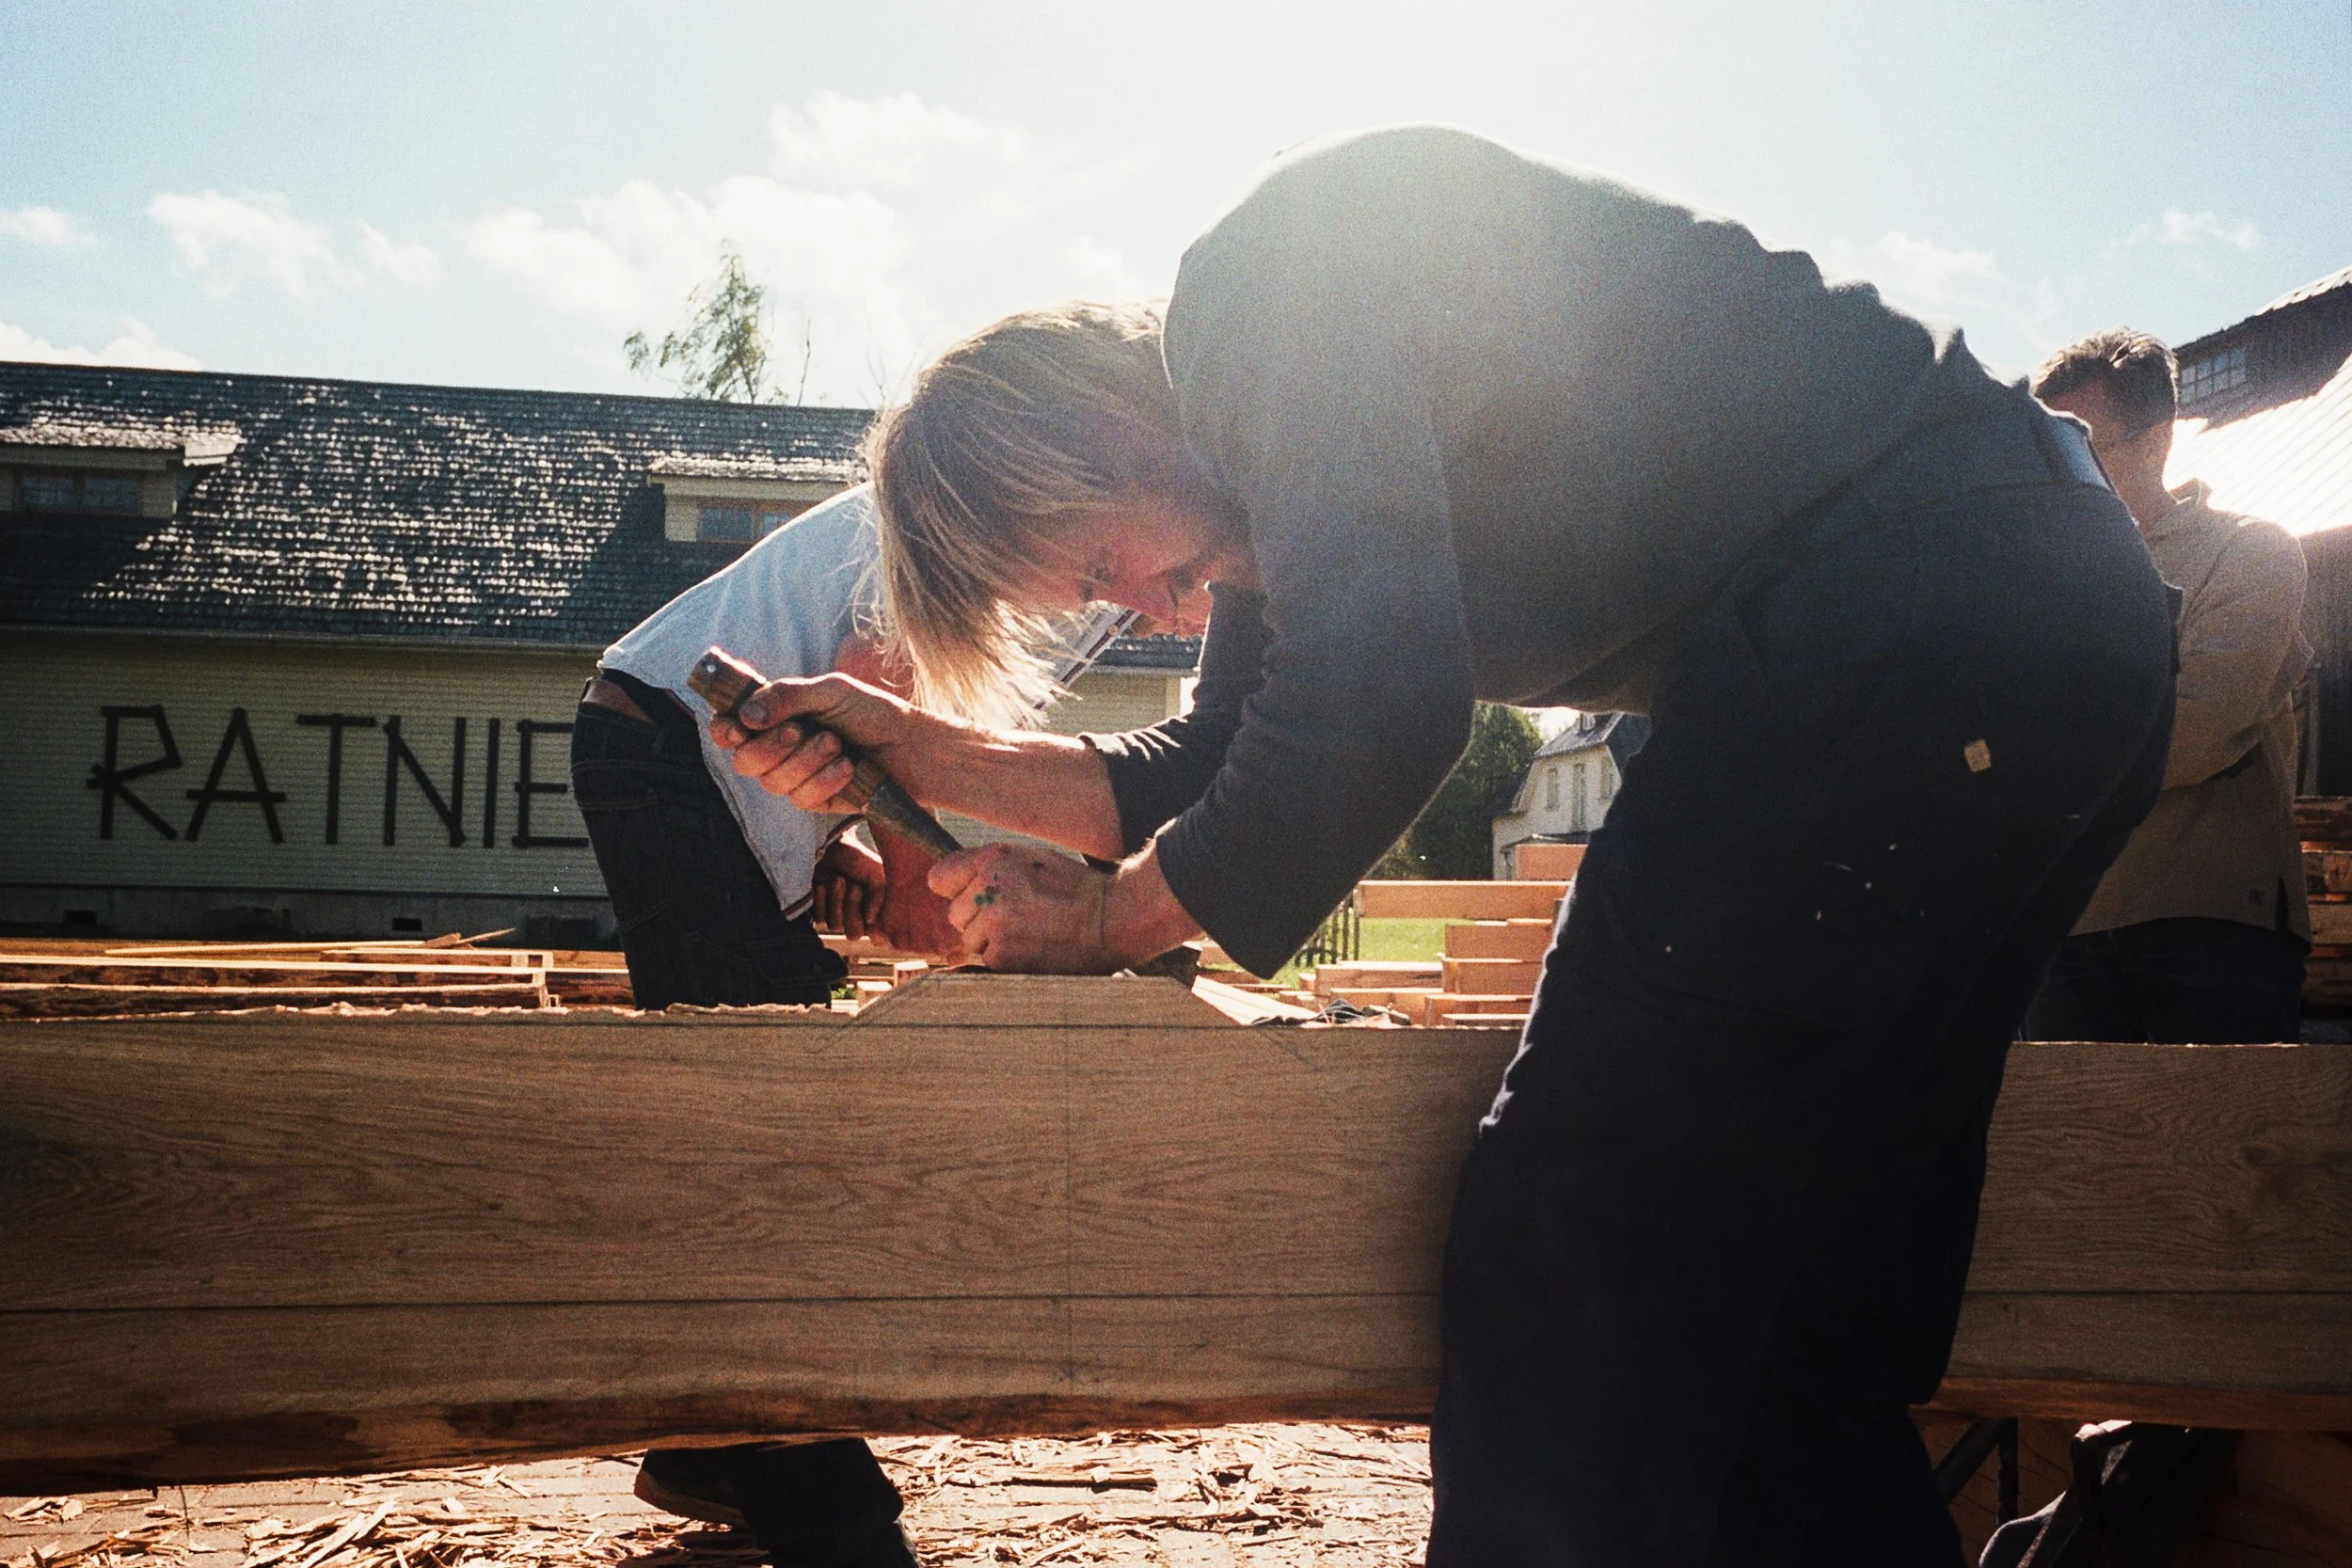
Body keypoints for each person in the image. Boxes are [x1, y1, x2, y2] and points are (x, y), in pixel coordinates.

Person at [716, 128, 2175, 1565]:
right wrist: (926, 752)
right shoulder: (1294, 464)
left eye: (1104, 561)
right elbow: (1218, 766)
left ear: (1099, 429)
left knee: (1570, 1246)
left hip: (1904, 606)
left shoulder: (1260, 299)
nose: (1149, 608)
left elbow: (1371, 706)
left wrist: (1110, 923)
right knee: (1790, 1319)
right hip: (2065, 612)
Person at [571, 483, 955, 1568]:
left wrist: (822, 844)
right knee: (765, 1147)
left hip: (709, 767)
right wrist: (923, 874)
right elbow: (871, 677)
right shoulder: (1063, 506)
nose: (1174, 615)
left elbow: (868, 704)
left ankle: (708, 1451)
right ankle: (833, 1525)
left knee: (769, 1111)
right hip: (677, 752)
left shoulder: (1086, 517)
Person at [2024, 329, 2312, 1043]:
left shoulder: (2251, 552)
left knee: (2220, 1150)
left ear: (2156, 442)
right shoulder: (2035, 586)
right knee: (2068, 1151)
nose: (2052, 472)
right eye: (2040, 449)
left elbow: (2199, 729)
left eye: (2077, 447)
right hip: (2066, 924)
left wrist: (2034, 753)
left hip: (2211, 924)